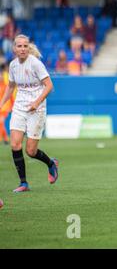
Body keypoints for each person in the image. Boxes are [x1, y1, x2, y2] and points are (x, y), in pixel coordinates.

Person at [0, 35, 59, 192]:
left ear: (28, 48)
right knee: (14, 144)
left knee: (31, 151)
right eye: (19, 46)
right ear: (14, 49)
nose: (23, 49)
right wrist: (1, 104)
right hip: (19, 107)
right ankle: (23, 183)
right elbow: (11, 87)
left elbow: (49, 85)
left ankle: (50, 163)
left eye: (25, 46)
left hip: (37, 109)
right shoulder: (12, 66)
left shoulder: (35, 64)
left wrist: (36, 102)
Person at [0, 61, 15, 144]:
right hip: (1, 108)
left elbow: (10, 96)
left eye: (1, 76)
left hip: (5, 108)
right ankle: (5, 139)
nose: (0, 77)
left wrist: (12, 106)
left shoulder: (6, 86)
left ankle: (5, 139)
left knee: (1, 122)